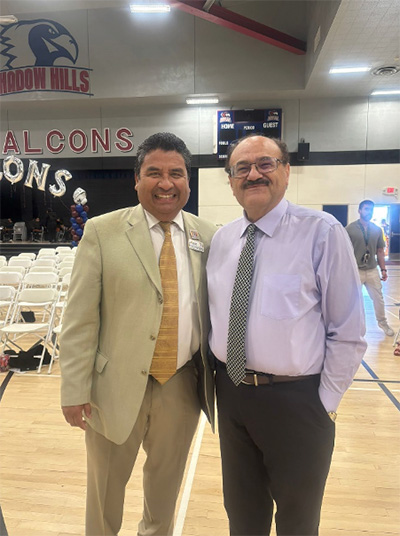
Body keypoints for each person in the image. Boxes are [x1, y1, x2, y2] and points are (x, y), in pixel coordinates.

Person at [206, 134, 367, 536]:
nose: (253, 174)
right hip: (233, 393)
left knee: (297, 520)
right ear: (230, 180)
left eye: (265, 163)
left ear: (286, 171)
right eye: (241, 168)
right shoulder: (223, 240)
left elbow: (348, 330)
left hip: (298, 401)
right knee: (242, 514)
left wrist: (324, 402)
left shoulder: (322, 232)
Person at [59, 132, 217, 536]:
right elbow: (79, 320)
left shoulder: (209, 235)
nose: (166, 183)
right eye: (154, 173)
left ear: (187, 181)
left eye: (176, 173)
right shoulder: (101, 231)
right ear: (137, 179)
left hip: (181, 385)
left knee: (164, 498)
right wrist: (74, 389)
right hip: (111, 388)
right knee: (104, 497)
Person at [346, 200, 394, 337]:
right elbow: (344, 251)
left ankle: (383, 322)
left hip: (372, 270)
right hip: (355, 271)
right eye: (366, 209)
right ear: (360, 211)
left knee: (378, 298)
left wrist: (383, 270)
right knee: (352, 300)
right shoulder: (349, 229)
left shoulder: (377, 230)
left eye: (371, 209)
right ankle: (351, 326)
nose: (369, 212)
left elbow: (380, 251)